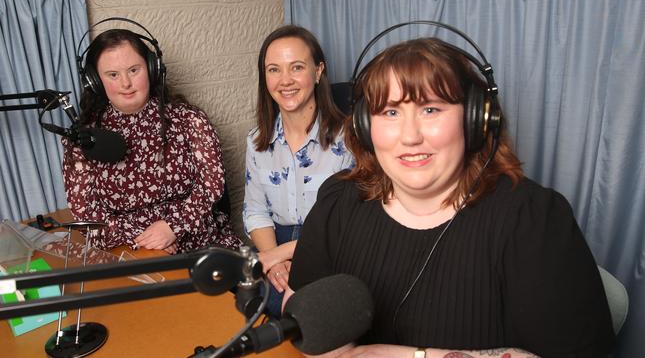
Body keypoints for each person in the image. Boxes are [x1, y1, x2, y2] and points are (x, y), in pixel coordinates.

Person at [288, 37, 615, 357]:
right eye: (389, 112)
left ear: (476, 119)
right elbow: (306, 327)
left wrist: (390, 353)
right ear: (363, 126)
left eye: (430, 109)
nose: (410, 136)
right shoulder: (338, 202)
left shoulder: (534, 220)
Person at [62, 28, 242, 254]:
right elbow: (87, 213)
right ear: (95, 81)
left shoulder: (189, 120)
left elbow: (211, 185)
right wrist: (148, 239)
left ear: (152, 69)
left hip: (202, 243)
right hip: (132, 250)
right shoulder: (84, 138)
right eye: (113, 75)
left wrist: (172, 227)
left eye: (134, 70)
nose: (126, 83)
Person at [243, 25, 355, 317]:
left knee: (307, 312)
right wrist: (274, 261)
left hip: (332, 247)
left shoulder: (350, 140)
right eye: (274, 70)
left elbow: (348, 225)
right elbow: (255, 211)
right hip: (274, 242)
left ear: (318, 72)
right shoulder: (256, 142)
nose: (285, 81)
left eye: (296, 67)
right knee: (248, 305)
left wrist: (275, 256)